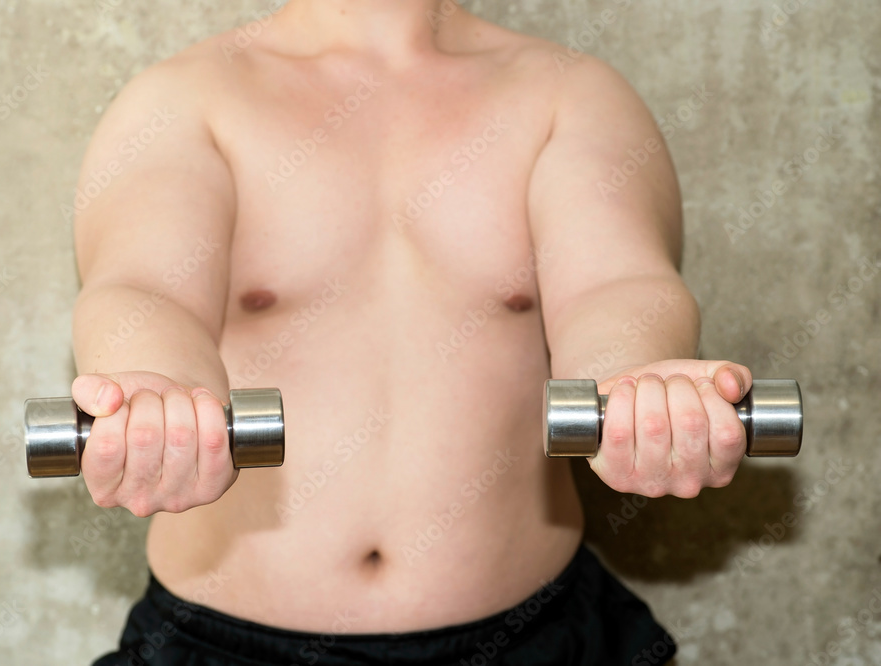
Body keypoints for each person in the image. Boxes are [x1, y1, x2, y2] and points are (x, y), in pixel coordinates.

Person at [72, 1, 750, 664]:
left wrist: (636, 380)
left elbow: (616, 285)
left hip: (533, 638)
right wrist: (153, 385)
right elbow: (145, 290)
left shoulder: (567, 94)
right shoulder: (186, 100)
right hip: (220, 645)